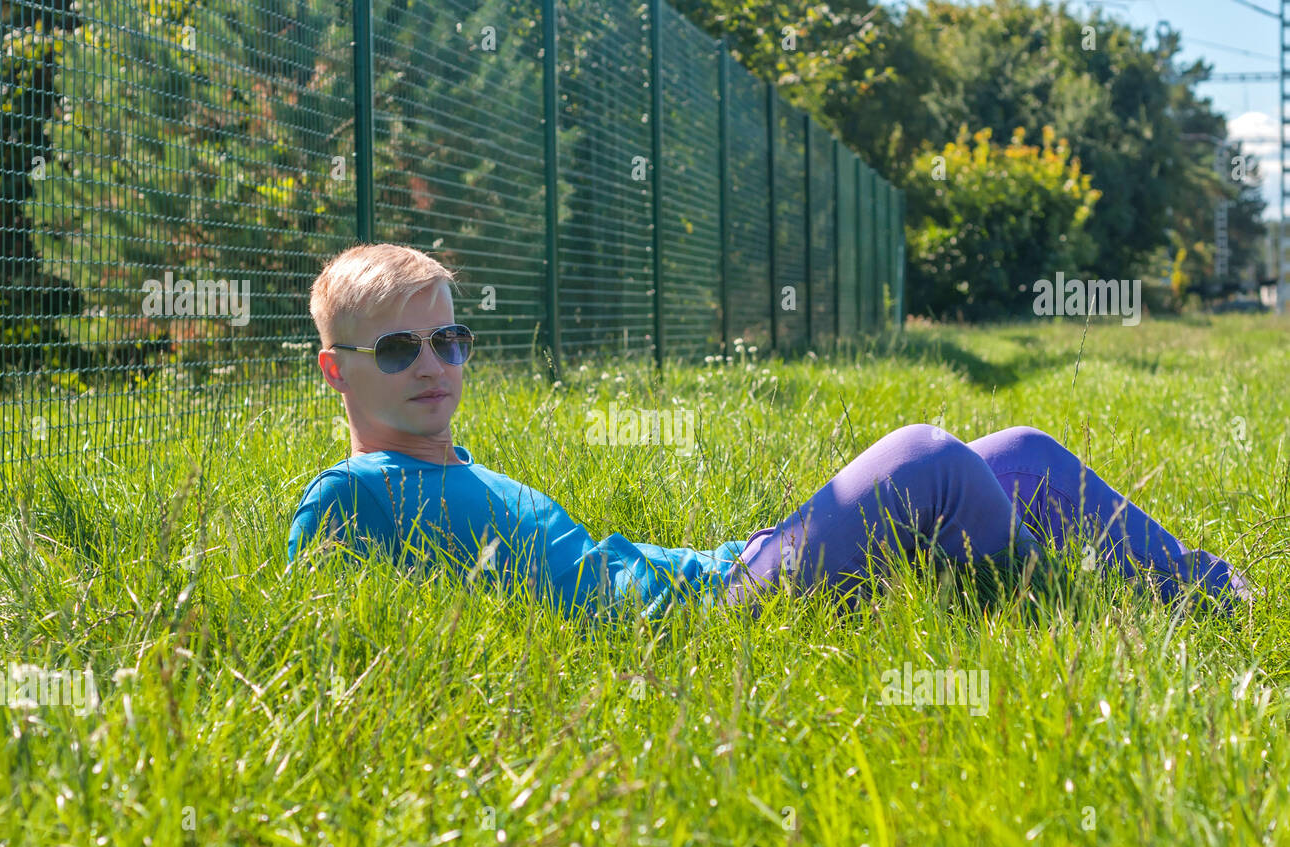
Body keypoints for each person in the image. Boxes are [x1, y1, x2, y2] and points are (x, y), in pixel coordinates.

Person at [287, 243, 1256, 623]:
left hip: (718, 567)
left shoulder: (462, 470)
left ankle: (1209, 594)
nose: (433, 365)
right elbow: (309, 621)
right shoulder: (354, 492)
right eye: (400, 347)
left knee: (1022, 451)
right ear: (337, 369)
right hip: (695, 626)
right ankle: (1065, 613)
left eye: (450, 338)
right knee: (926, 455)